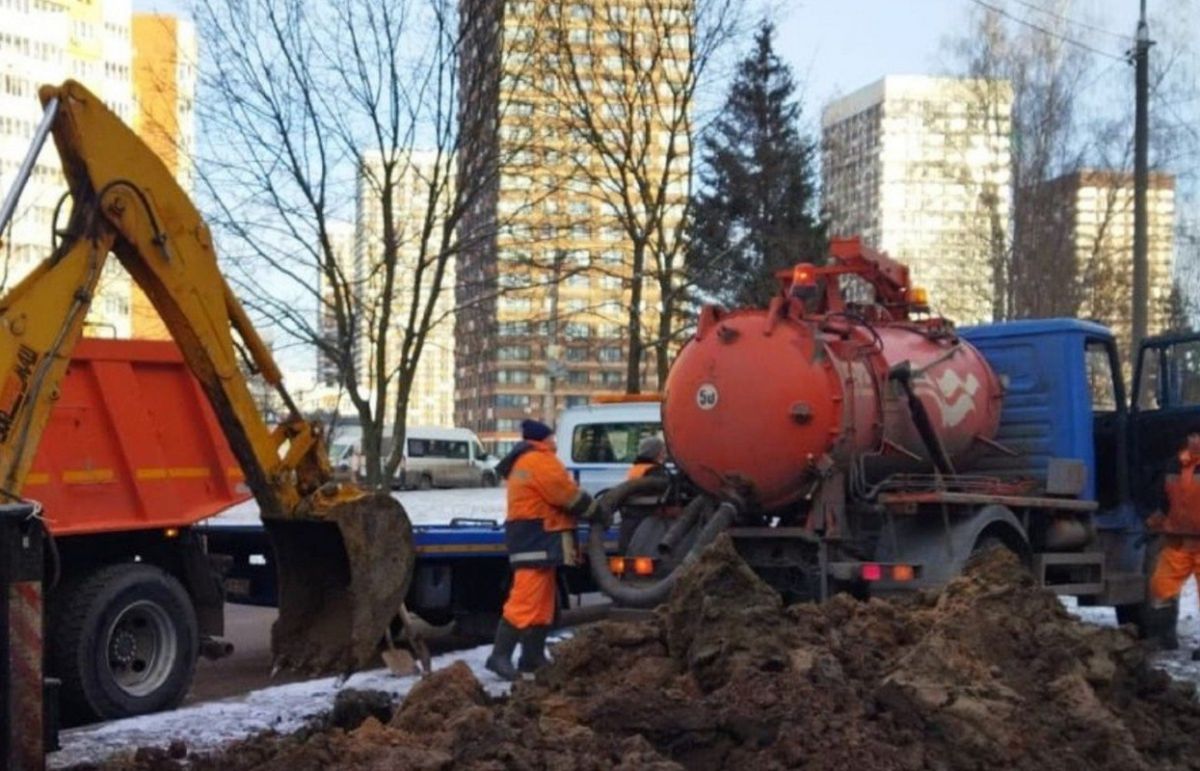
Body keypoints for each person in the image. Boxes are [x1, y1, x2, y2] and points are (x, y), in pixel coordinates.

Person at [486, 419, 593, 680]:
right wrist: (595, 511)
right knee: (527, 598)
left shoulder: (526, 460)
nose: (555, 441)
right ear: (543, 439)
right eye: (552, 437)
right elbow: (566, 495)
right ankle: (499, 656)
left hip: (535, 538)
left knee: (542, 601)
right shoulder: (540, 461)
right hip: (538, 537)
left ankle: (531, 657)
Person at [1146, 430, 1200, 657]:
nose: (1196, 440)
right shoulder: (1172, 466)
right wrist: (1157, 518)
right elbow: (1164, 498)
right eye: (1193, 435)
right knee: (1160, 586)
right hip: (1178, 540)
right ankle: (1162, 637)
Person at [619, 435, 669, 553]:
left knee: (627, 551)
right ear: (656, 453)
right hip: (645, 518)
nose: (665, 454)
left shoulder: (635, 468)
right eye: (663, 451)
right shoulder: (655, 472)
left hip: (630, 518)